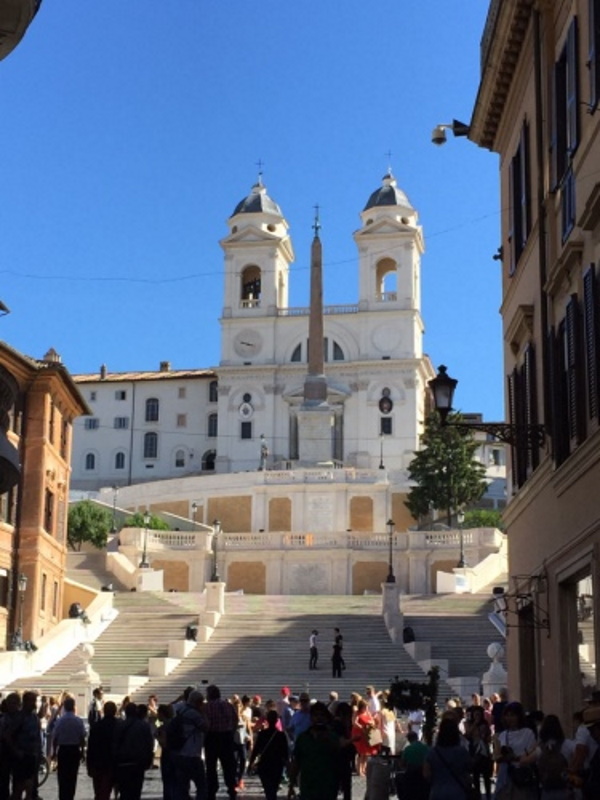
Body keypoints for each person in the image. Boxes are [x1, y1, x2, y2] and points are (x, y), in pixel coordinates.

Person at [288, 702, 340, 800]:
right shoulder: (303, 738)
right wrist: (291, 784)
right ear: (311, 717)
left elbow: (338, 763)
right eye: (316, 715)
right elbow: (296, 762)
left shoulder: (333, 738)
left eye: (321, 715)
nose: (319, 718)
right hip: (308, 787)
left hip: (327, 787)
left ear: (326, 718)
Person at [493, 702, 538, 800]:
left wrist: (516, 757)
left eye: (512, 715)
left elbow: (532, 753)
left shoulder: (528, 733)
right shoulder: (502, 735)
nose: (509, 718)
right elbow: (496, 757)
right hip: (505, 777)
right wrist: (504, 757)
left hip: (522, 777)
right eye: (507, 715)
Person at [168, 689, 207, 800]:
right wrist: (203, 712)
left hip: (180, 752)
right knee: (202, 785)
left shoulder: (180, 709)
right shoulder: (195, 714)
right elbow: (206, 727)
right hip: (192, 754)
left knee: (182, 786)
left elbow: (169, 707)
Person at [113, 700, 155, 800]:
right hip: (138, 763)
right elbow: (149, 744)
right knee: (136, 791)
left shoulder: (119, 725)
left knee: (124, 791)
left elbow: (114, 744)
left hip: (122, 763)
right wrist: (149, 759)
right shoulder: (144, 725)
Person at [424, 716, 472, 800]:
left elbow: (426, 774)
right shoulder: (462, 751)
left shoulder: (432, 752)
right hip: (458, 792)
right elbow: (469, 768)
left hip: (437, 792)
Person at [204, 684, 237, 800]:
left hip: (212, 737)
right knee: (228, 765)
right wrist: (231, 732)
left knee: (211, 766)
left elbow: (204, 723)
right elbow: (235, 720)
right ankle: (232, 787)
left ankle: (212, 788)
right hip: (226, 737)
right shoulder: (228, 705)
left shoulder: (207, 707)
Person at [51, 695, 86, 800]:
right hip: (74, 750)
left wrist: (54, 753)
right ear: (74, 707)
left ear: (64, 707)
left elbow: (55, 738)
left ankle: (63, 796)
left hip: (63, 750)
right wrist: (83, 751)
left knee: (62, 777)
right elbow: (82, 737)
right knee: (72, 777)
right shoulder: (78, 721)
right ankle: (70, 796)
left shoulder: (60, 721)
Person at [249, 709, 288, 800]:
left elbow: (256, 750)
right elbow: (285, 752)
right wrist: (288, 765)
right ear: (276, 720)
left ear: (267, 720)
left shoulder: (262, 734)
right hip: (277, 764)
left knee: (267, 788)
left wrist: (251, 762)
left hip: (264, 764)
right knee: (274, 788)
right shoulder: (281, 735)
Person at [87, 700, 121, 800]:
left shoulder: (96, 727)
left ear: (104, 711)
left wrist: (89, 766)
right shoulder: (120, 726)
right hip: (114, 764)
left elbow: (91, 747)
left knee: (100, 793)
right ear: (115, 711)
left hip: (98, 764)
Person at [536, 714, 571, 800]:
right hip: (564, 788)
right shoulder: (568, 745)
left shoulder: (540, 748)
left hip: (547, 789)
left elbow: (525, 761)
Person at [465, 705, 493, 800]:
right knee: (476, 775)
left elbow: (489, 736)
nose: (477, 716)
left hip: (484, 750)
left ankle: (488, 794)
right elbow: (468, 733)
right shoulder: (468, 723)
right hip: (474, 750)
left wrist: (486, 735)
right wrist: (475, 724)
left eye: (479, 714)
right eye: (475, 714)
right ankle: (477, 796)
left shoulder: (485, 723)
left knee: (486, 776)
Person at [398, 730, 429, 800]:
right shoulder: (426, 748)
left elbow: (402, 764)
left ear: (409, 739)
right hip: (423, 776)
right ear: (417, 737)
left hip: (411, 776)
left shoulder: (407, 749)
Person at [351, 699, 379, 776]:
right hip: (359, 734)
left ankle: (364, 768)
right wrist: (362, 727)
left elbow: (372, 720)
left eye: (367, 707)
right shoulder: (357, 713)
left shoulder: (367, 712)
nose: (366, 708)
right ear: (361, 707)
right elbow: (354, 722)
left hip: (367, 734)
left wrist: (371, 723)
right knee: (361, 753)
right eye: (365, 707)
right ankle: (359, 770)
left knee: (366, 753)